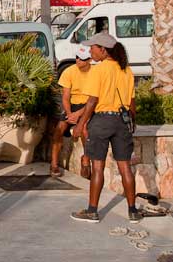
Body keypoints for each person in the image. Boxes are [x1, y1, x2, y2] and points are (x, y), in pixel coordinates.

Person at [71, 32, 141, 224]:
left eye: (93, 47)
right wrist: (131, 123)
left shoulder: (99, 70)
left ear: (103, 50)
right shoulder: (126, 71)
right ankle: (133, 210)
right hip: (122, 120)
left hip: (102, 120)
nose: (90, 51)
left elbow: (92, 101)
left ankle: (92, 210)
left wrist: (80, 124)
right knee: (125, 166)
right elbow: (132, 102)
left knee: (98, 166)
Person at [50, 46, 92, 179]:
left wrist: (78, 114)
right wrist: (69, 113)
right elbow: (65, 97)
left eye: (82, 59)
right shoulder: (69, 72)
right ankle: (54, 163)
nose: (79, 60)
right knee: (59, 128)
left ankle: (85, 161)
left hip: (88, 105)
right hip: (72, 106)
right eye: (77, 57)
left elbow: (93, 100)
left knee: (85, 129)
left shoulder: (96, 73)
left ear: (89, 60)